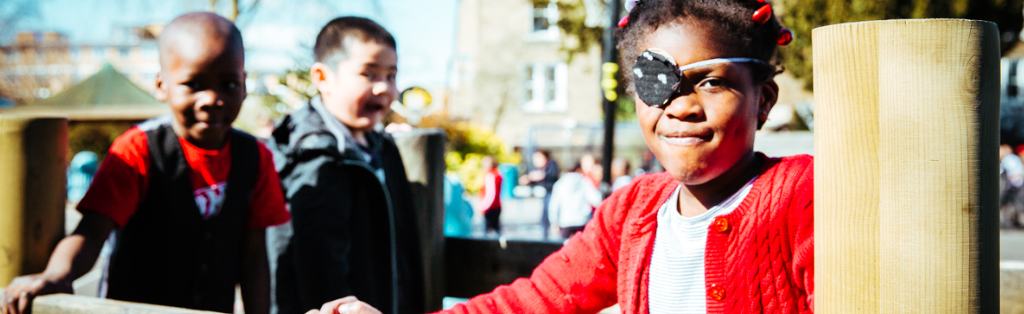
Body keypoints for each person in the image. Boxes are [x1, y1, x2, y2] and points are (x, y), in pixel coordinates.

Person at [311, 0, 812, 313]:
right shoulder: (633, 210)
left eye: (712, 81)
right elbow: (535, 301)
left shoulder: (803, 196)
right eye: (658, 81)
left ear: (763, 100)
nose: (681, 106)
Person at [1, 12, 290, 314]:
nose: (211, 98)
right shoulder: (137, 149)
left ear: (244, 84)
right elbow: (91, 232)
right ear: (161, 85)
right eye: (194, 84)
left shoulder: (257, 157)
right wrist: (56, 275)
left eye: (229, 84)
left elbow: (255, 256)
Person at [267, 16, 424, 314]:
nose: (384, 88)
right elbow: (316, 266)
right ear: (322, 78)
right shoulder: (311, 157)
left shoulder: (382, 147)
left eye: (391, 76)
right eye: (369, 74)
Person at [548, 161, 603, 238]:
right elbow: (596, 200)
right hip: (582, 221)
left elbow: (554, 205)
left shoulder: (560, 184)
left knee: (565, 247)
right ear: (578, 169)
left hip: (565, 221)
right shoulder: (584, 182)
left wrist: (554, 222)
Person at [526, 150, 559, 238]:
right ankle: (545, 234)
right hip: (546, 193)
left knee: (550, 213)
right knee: (545, 214)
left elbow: (553, 176)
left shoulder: (551, 165)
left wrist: (541, 175)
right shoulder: (542, 169)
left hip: (553, 194)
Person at [478, 155, 504, 236]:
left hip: (490, 207)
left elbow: (490, 194)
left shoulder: (490, 175)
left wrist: (483, 206)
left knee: (488, 231)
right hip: (496, 206)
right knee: (496, 230)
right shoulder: (497, 173)